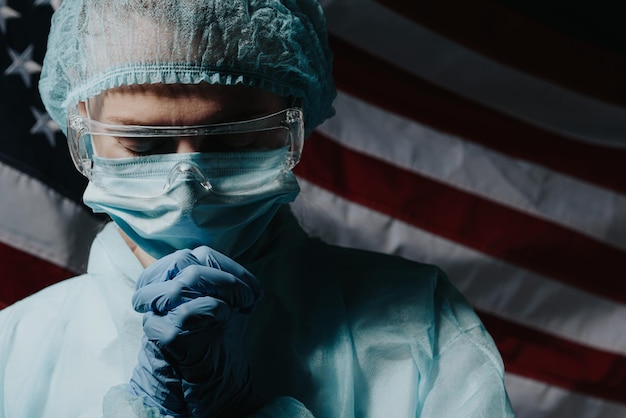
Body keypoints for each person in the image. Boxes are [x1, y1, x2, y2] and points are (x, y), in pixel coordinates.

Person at [0, 0, 515, 417]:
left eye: (235, 141)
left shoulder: (421, 326)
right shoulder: (13, 350)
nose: (188, 188)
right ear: (83, 138)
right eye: (144, 145)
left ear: (293, 126)